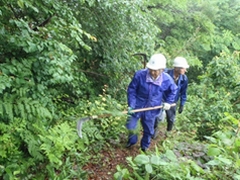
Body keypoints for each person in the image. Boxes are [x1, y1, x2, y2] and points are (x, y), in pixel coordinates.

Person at [125, 53, 178, 151]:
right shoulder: (140, 75)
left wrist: (168, 102)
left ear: (162, 69)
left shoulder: (166, 79)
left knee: (149, 130)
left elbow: (174, 90)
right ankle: (132, 141)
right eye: (151, 69)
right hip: (138, 104)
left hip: (153, 107)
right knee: (131, 125)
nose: (152, 72)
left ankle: (144, 146)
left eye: (155, 70)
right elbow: (132, 90)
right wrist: (131, 105)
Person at [153, 56, 189, 138]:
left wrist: (182, 104)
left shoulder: (184, 79)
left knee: (171, 118)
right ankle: (154, 130)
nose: (185, 70)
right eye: (183, 68)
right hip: (161, 98)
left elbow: (183, 92)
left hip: (173, 101)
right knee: (156, 116)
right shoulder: (165, 73)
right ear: (177, 68)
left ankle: (168, 131)